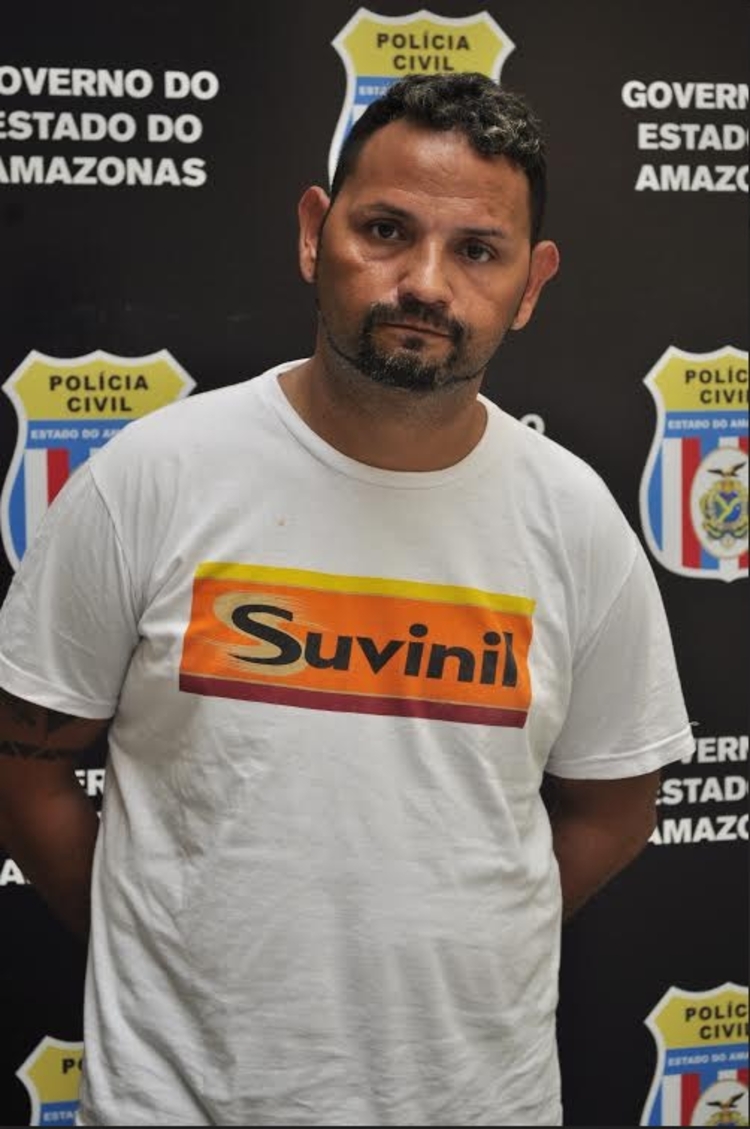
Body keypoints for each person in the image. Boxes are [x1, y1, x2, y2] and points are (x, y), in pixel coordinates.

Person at [0, 72, 693, 1127]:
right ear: (313, 233)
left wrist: (471, 944)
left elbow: (615, 807)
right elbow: (27, 771)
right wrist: (169, 956)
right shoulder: (150, 477)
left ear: (532, 283)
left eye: (478, 250)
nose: (425, 282)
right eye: (385, 230)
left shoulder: (575, 519)